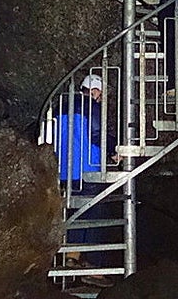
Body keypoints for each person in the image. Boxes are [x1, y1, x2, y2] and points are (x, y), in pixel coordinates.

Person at [55, 74, 113, 287]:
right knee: (96, 216)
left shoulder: (60, 105)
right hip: (88, 171)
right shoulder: (91, 106)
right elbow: (97, 134)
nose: (101, 97)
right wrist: (114, 149)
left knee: (76, 214)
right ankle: (93, 266)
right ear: (95, 90)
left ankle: (72, 257)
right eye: (101, 92)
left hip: (64, 173)